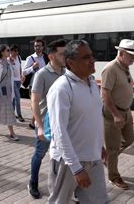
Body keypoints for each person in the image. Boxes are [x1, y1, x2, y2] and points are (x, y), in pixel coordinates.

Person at [47, 40, 107, 203]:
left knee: (98, 200)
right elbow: (59, 132)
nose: (93, 60)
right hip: (68, 162)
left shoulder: (93, 83)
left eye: (92, 56)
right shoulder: (61, 89)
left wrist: (99, 145)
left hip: (93, 157)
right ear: (70, 63)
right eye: (86, 57)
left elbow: (92, 117)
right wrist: (76, 167)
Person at [28, 39, 67, 199]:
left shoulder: (66, 72)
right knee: (40, 153)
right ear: (51, 56)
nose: (66, 56)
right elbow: (34, 101)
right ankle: (33, 182)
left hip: (63, 123)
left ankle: (67, 187)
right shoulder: (42, 74)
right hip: (47, 123)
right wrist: (39, 125)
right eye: (62, 53)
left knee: (64, 155)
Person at [101, 39, 134, 190]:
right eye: (131, 56)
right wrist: (116, 114)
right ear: (121, 54)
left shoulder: (124, 67)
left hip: (125, 111)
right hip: (114, 113)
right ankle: (114, 176)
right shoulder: (111, 68)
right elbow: (105, 94)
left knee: (129, 139)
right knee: (113, 147)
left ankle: (109, 157)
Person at [0, 44, 19, 141]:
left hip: (9, 89)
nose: (9, 52)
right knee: (9, 110)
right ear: (2, 52)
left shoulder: (9, 62)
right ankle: (12, 133)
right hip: (1, 90)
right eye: (7, 50)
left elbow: (15, 74)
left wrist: (13, 64)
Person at [23, 39, 48, 129]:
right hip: (33, 85)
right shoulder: (30, 58)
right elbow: (24, 72)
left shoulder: (46, 57)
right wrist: (32, 68)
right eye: (36, 46)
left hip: (45, 84)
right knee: (36, 104)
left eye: (39, 46)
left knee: (43, 104)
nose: (37, 47)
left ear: (43, 47)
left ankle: (33, 122)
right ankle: (37, 123)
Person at [8, 44, 25, 122]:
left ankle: (12, 113)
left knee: (14, 98)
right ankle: (19, 115)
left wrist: (21, 75)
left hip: (18, 80)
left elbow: (20, 67)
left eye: (17, 50)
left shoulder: (19, 57)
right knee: (17, 98)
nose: (16, 52)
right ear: (11, 51)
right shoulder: (8, 59)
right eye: (14, 51)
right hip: (12, 81)